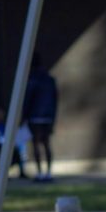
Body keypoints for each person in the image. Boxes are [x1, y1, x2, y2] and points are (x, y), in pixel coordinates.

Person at [24, 53, 59, 181]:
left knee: (36, 143)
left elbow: (28, 99)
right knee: (46, 143)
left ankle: (40, 173)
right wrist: (53, 117)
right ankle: (48, 172)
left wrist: (24, 116)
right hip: (48, 115)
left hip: (35, 115)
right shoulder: (50, 80)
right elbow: (55, 100)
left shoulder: (32, 79)